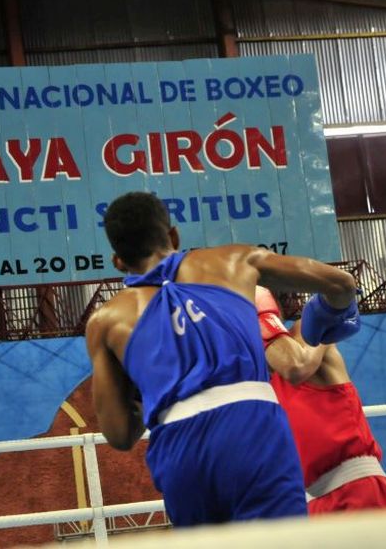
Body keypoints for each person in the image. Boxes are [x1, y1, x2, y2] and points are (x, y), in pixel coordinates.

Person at [85, 191, 360, 526]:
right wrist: (328, 315)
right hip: (252, 427)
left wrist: (154, 382)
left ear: (117, 260)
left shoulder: (104, 321)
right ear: (173, 235)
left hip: (178, 447)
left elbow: (119, 435)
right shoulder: (234, 259)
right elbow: (341, 282)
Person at [255, 286, 386, 514]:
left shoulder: (304, 332)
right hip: (311, 502)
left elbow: (298, 366)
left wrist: (263, 318)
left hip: (356, 489)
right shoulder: (257, 379)